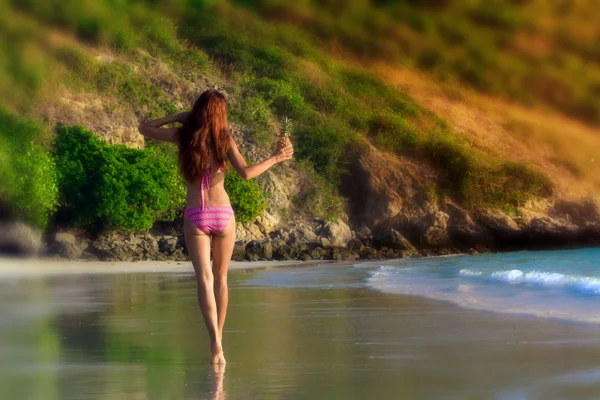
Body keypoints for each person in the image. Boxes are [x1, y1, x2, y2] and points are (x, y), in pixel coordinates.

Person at [138, 89, 294, 364]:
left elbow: (145, 128)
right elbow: (246, 173)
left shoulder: (182, 136)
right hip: (223, 214)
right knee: (221, 279)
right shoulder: (225, 140)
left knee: (204, 280)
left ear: (197, 111)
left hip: (196, 215)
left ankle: (215, 342)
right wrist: (275, 158)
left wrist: (178, 117)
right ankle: (217, 341)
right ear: (222, 115)